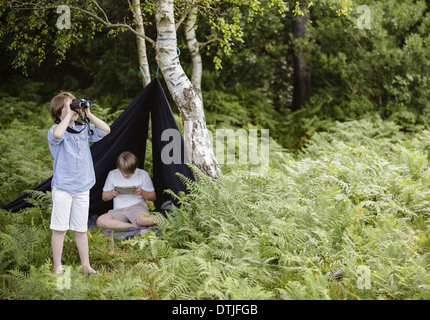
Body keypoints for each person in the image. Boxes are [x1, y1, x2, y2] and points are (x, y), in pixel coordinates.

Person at [48, 92, 110, 275]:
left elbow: (106, 130)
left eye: (73, 105)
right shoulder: (54, 131)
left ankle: (86, 266)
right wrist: (67, 114)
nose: (73, 109)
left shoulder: (83, 129)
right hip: (63, 188)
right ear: (58, 113)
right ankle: (57, 267)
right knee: (60, 229)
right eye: (68, 106)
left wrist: (88, 114)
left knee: (81, 229)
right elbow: (59, 134)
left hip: (83, 186)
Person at [96, 151, 157, 233]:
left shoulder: (143, 174)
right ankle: (134, 227)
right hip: (119, 210)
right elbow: (104, 197)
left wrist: (142, 192)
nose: (126, 175)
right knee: (101, 221)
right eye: (123, 172)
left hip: (138, 208)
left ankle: (165, 220)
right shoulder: (112, 174)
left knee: (143, 220)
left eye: (130, 172)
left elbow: (153, 197)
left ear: (135, 168)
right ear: (119, 167)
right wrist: (112, 193)